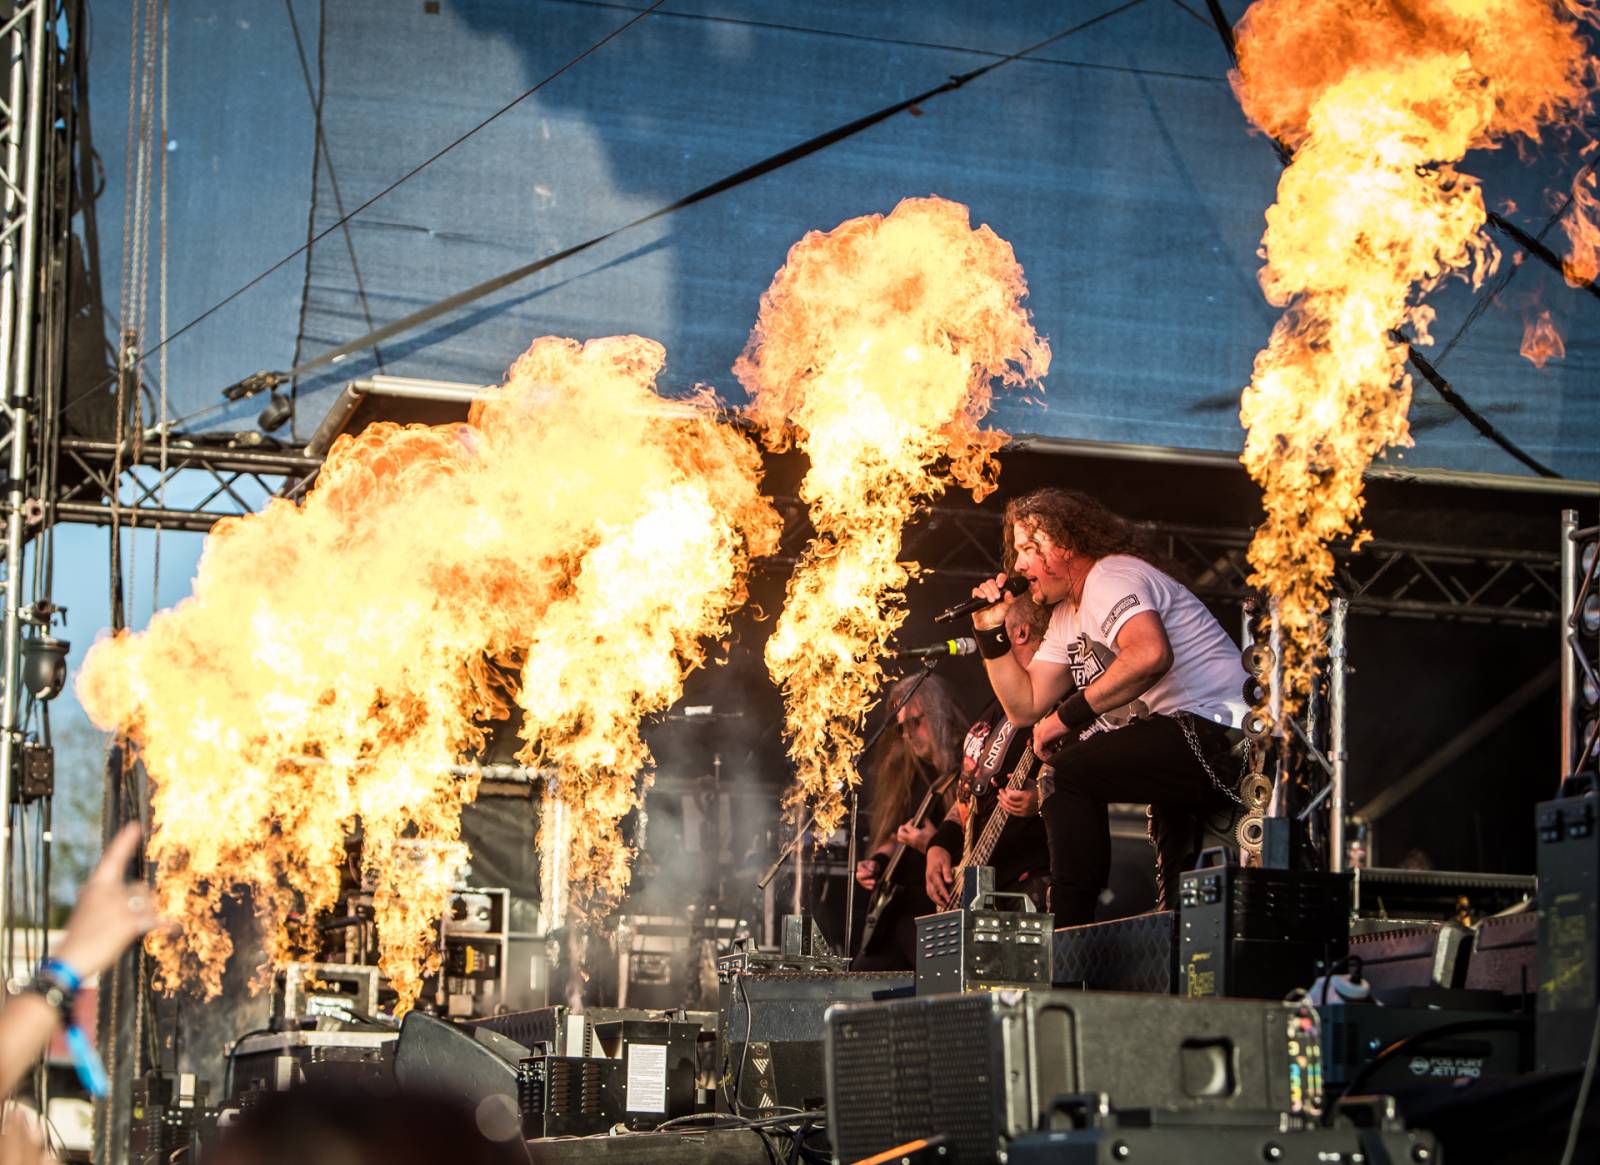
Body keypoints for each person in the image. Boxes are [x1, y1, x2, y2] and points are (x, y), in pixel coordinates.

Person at [967, 488, 1249, 927]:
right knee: (1182, 901)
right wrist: (990, 631)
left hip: (1217, 728)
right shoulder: (1064, 617)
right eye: (1017, 551)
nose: (1018, 564)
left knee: (1065, 774)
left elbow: (1150, 654)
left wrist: (1064, 718)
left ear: (1065, 544)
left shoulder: (1110, 576)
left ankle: (1068, 930)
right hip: (1180, 738)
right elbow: (1024, 706)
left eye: (1029, 548)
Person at [924, 596, 1053, 913]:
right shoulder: (994, 709)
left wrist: (1045, 796)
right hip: (980, 888)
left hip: (1028, 885)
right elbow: (968, 794)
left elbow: (1086, 772)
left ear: (1019, 633)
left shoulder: (1053, 701)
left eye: (992, 626)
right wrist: (940, 844)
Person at [851, 672, 967, 971]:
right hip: (897, 908)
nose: (907, 735)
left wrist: (932, 844)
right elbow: (895, 833)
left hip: (937, 909)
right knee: (861, 975)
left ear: (939, 714)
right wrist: (877, 860)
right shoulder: (908, 770)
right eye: (901, 727)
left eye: (915, 722)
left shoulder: (967, 761)